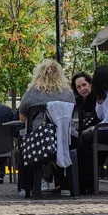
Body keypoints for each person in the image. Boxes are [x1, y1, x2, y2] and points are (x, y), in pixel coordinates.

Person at [19, 59, 76, 194]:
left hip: (38, 141)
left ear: (39, 74)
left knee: (20, 148)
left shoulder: (31, 92)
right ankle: (66, 185)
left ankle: (26, 187)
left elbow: (22, 118)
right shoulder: (68, 93)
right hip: (65, 139)